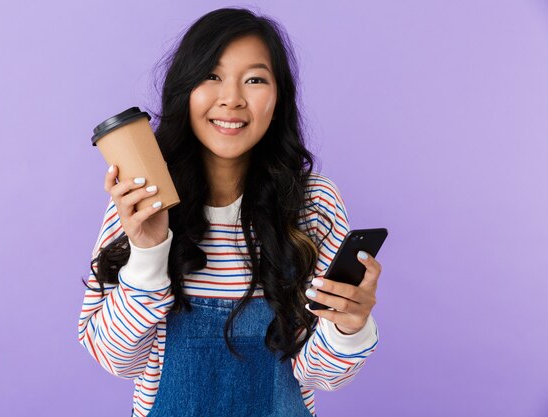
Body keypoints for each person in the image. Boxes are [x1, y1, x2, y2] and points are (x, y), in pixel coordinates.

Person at [78, 7, 382, 417]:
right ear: (185, 89)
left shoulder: (313, 203)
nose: (232, 99)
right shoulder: (138, 202)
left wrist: (351, 324)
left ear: (279, 97)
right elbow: (116, 360)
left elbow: (318, 375)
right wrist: (148, 253)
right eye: (212, 76)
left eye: (255, 79)